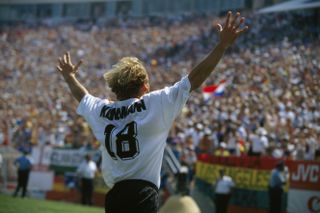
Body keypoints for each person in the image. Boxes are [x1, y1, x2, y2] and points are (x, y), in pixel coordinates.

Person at [56, 11, 248, 213]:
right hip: (143, 194)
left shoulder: (101, 110)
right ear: (145, 86)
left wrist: (70, 77)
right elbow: (195, 78)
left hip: (115, 197)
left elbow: (83, 96)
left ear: (115, 89)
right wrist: (222, 46)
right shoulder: (156, 103)